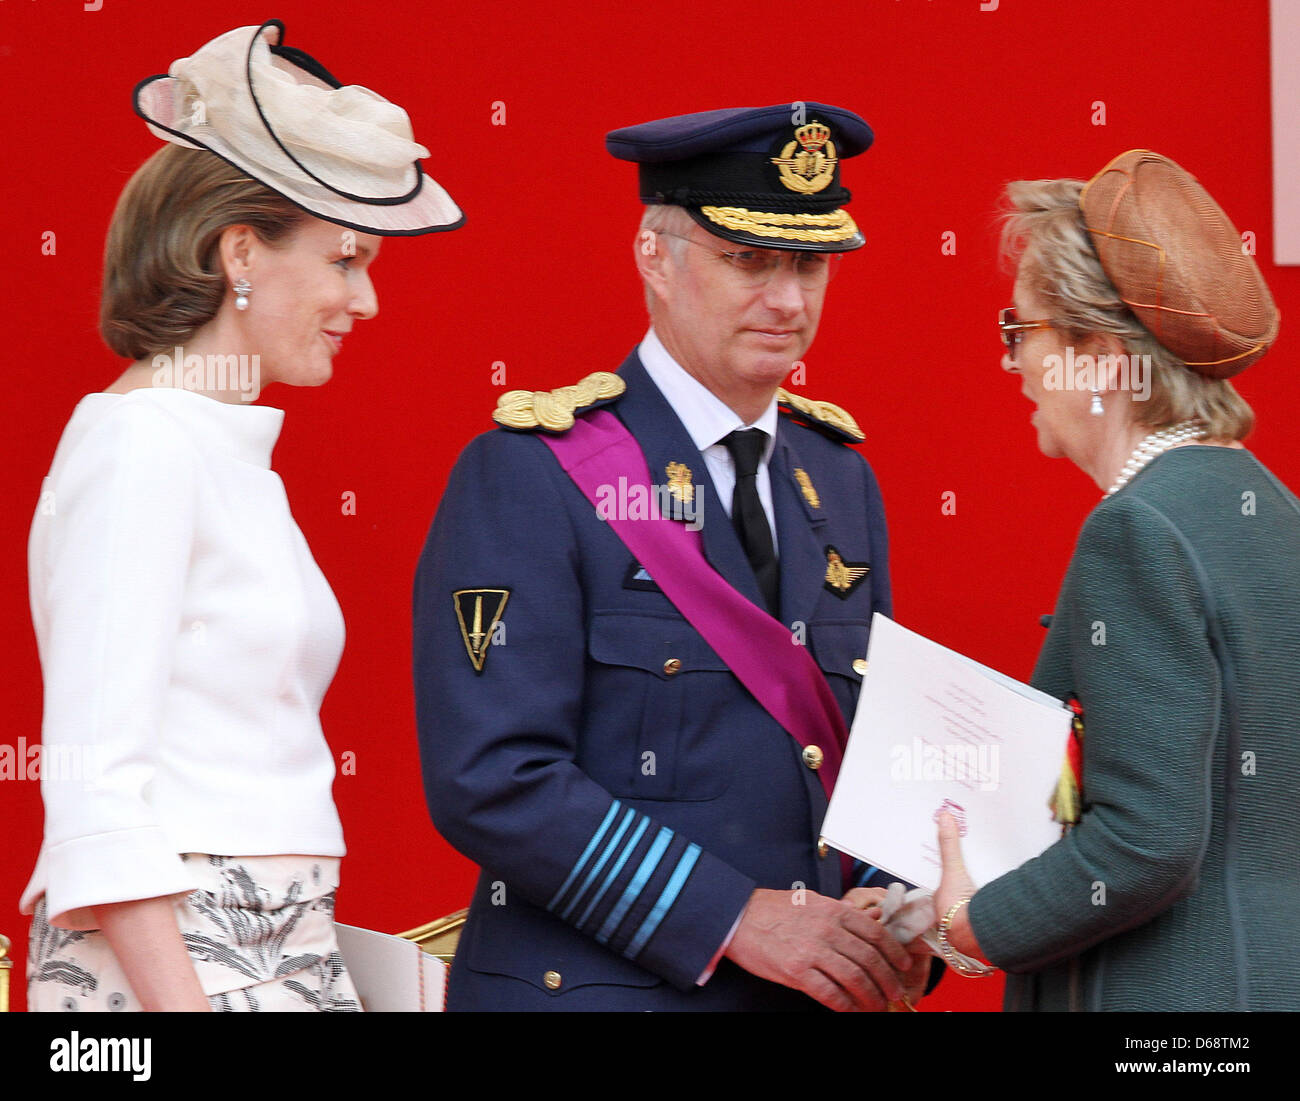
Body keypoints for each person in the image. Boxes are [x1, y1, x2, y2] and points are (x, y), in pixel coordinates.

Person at [413, 103, 934, 1011]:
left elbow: (863, 750)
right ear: (654, 256)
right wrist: (734, 917)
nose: (788, 299)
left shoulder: (839, 476)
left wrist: (895, 910)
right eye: (750, 260)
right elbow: (492, 778)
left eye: (809, 264)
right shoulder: (533, 471)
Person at [21, 20, 462, 1012]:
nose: (367, 303)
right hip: (172, 977)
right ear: (239, 253)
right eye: (347, 261)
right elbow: (96, 783)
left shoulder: (217, 450)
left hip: (266, 958)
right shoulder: (141, 447)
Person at [930, 149, 1300, 1010]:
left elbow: (1147, 843)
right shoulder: (1273, 508)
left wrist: (972, 925)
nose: (1013, 364)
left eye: (1022, 333)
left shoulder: (1136, 528)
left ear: (1098, 356)